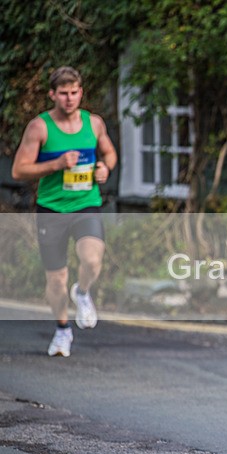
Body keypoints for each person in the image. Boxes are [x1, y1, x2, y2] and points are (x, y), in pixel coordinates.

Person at [11, 66, 117, 357]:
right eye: (63, 93)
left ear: (81, 92)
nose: (69, 99)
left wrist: (105, 167)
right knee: (56, 279)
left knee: (92, 259)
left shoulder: (93, 123)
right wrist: (56, 164)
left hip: (85, 205)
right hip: (52, 209)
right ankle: (62, 330)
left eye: (74, 93)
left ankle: (82, 293)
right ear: (52, 95)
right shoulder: (40, 127)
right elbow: (19, 169)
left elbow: (109, 152)